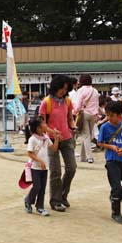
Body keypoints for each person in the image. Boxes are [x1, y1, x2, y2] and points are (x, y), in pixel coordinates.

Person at [37, 75, 77, 212]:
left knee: (72, 168)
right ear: (55, 87)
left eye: (66, 89)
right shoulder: (46, 102)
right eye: (61, 88)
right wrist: (51, 132)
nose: (63, 91)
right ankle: (55, 200)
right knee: (56, 171)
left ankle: (63, 195)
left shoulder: (67, 101)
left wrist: (74, 126)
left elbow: (70, 118)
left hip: (66, 138)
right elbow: (41, 124)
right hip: (51, 139)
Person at [97, 100, 122, 225]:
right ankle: (116, 213)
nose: (109, 118)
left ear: (119, 115)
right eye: (107, 115)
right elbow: (100, 143)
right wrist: (112, 147)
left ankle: (117, 198)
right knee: (116, 187)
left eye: (111, 115)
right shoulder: (104, 127)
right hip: (112, 160)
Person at [23, 115, 53, 216]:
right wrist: (40, 161)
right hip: (35, 167)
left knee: (42, 188)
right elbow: (30, 153)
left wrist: (56, 139)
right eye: (44, 124)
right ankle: (28, 199)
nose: (46, 125)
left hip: (45, 167)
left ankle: (40, 207)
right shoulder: (32, 139)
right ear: (38, 128)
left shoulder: (46, 137)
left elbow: (53, 148)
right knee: (37, 187)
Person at [74, 75, 101, 164]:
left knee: (86, 135)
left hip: (84, 114)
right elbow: (97, 104)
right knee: (88, 135)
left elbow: (78, 105)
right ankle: (82, 156)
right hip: (93, 114)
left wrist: (74, 112)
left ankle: (89, 157)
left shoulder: (81, 90)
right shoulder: (95, 90)